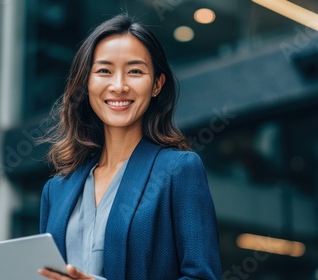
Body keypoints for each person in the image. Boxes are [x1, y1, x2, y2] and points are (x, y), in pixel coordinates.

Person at [37, 14, 222, 280]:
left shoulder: (179, 171)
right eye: (104, 71)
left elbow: (203, 277)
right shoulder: (56, 190)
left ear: (157, 84)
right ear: (86, 83)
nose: (119, 86)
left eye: (135, 71)